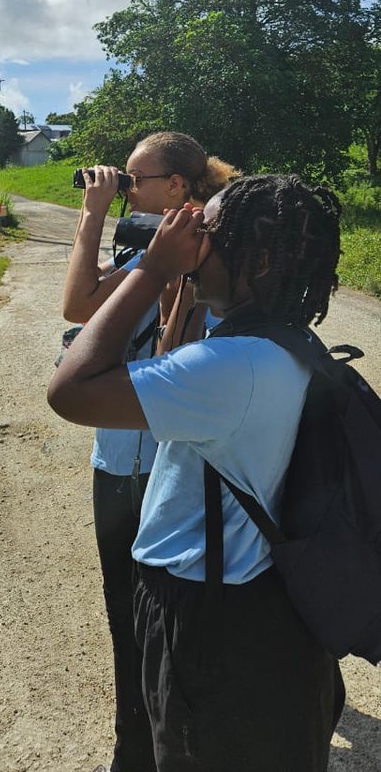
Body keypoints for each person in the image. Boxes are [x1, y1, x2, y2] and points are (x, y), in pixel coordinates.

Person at [50, 174, 346, 772]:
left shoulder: (230, 367)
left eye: (205, 231)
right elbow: (168, 359)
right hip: (263, 611)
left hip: (212, 622)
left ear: (256, 260)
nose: (187, 239)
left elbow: (70, 391)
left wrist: (152, 269)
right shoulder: (278, 343)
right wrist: (178, 283)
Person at [62, 132, 238, 772]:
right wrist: (92, 223)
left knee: (166, 626)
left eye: (136, 180)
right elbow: (80, 305)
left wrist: (170, 278)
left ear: (180, 188)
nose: (125, 189)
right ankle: (136, 747)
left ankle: (153, 751)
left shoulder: (217, 259)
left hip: (168, 470)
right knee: (129, 624)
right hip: (119, 463)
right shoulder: (146, 248)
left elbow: (172, 364)